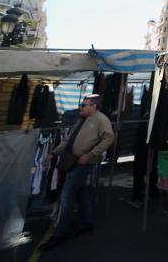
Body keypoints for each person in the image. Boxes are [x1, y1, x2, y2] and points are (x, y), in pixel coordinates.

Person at [41, 95, 114, 250]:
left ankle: (60, 234)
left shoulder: (102, 119)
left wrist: (90, 155)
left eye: (84, 105)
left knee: (67, 195)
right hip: (72, 161)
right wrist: (53, 153)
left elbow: (108, 138)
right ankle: (87, 223)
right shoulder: (82, 119)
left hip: (83, 163)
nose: (81, 107)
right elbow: (68, 141)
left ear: (93, 106)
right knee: (80, 193)